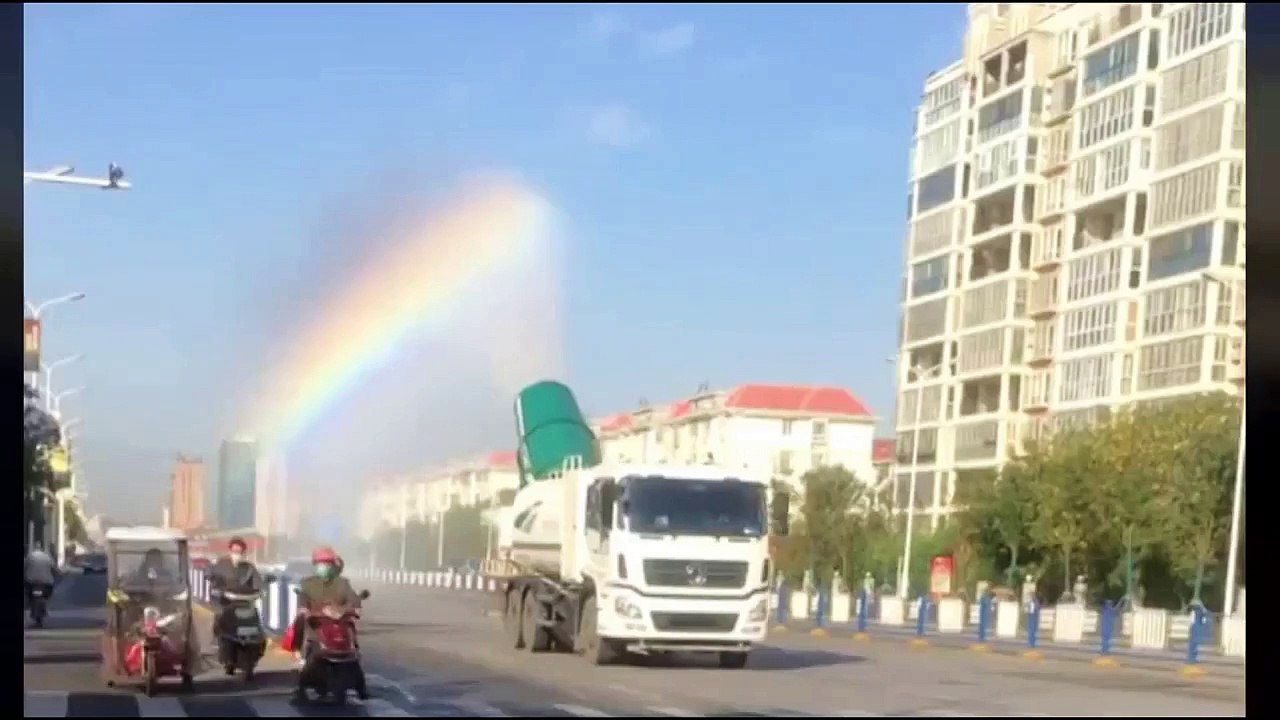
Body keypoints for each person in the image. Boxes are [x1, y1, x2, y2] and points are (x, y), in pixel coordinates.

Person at [291, 546, 366, 701]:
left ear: (333, 565)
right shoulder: (308, 584)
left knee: (352, 649)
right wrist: (305, 610)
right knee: (309, 645)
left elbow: (354, 600)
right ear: (315, 565)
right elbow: (303, 600)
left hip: (340, 625)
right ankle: (301, 684)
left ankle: (361, 686)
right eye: (320, 563)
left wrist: (354, 608)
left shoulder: (342, 583)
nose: (324, 567)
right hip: (317, 624)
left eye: (327, 564)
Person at [208, 537, 264, 645]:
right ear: (229, 551)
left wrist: (261, 589)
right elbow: (212, 576)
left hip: (244, 602)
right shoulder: (221, 564)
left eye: (238, 552)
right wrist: (218, 590)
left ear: (243, 553)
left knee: (256, 618)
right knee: (220, 615)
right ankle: (217, 638)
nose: (236, 554)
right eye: (234, 551)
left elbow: (258, 582)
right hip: (225, 601)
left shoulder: (249, 567)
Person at [24, 544, 57, 619]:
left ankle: (31, 606)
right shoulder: (48, 557)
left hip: (32, 582)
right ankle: (43, 606)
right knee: (46, 595)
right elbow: (54, 568)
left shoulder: (30, 556)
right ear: (42, 549)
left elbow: (25, 567)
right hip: (46, 583)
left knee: (28, 594)